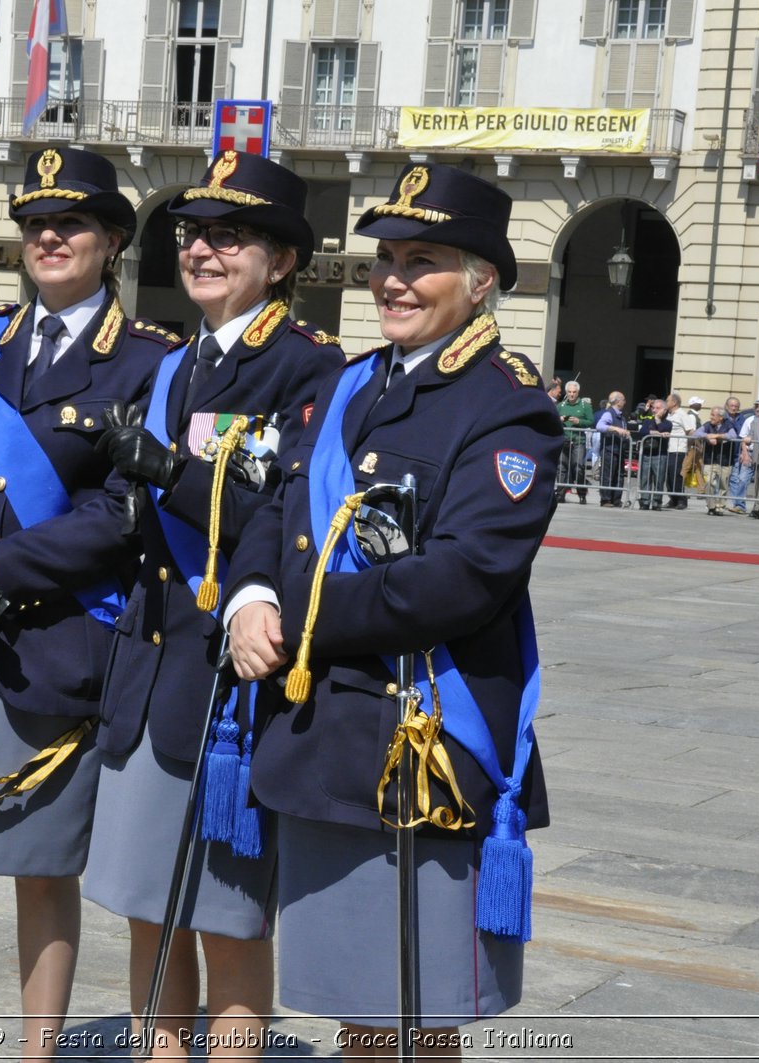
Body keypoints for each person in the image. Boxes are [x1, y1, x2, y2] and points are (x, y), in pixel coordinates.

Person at [224, 162, 560, 1056]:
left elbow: (461, 578)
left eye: (424, 261)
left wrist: (295, 620)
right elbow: (276, 507)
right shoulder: (348, 382)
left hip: (420, 750)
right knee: (357, 1004)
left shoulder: (507, 405)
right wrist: (250, 595)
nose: (394, 280)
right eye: (386, 259)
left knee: (411, 1016)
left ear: (481, 281)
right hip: (321, 740)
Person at [0, 147, 172, 1057]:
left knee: (40, 869)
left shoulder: (146, 362)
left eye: (72, 224)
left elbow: (124, 511)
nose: (48, 238)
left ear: (112, 242)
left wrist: (1, 563)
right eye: (34, 225)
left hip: (52, 648)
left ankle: (35, 1050)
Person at [83, 150, 345, 1056]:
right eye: (195, 234)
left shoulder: (311, 371)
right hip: (152, 668)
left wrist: (167, 471)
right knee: (148, 910)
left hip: (233, 683)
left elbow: (285, 512)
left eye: (229, 238)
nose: (202, 251)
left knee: (230, 919)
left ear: (280, 262)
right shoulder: (174, 362)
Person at [554, 380, 592, 504]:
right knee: (561, 467)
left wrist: (579, 422)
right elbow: (553, 420)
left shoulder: (584, 405)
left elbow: (592, 421)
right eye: (569, 392)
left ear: (578, 392)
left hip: (578, 441)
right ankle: (560, 494)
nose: (571, 394)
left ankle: (582, 493)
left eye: (574, 392)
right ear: (566, 392)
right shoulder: (561, 406)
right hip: (563, 440)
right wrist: (559, 419)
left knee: (578, 468)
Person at [693, 404, 737, 514]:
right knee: (708, 483)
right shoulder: (708, 425)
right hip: (709, 459)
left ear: (720, 417)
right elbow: (697, 433)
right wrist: (707, 436)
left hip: (725, 460)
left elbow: (733, 436)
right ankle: (711, 506)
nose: (711, 417)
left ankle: (720, 507)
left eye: (713, 415)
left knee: (723, 485)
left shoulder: (728, 424)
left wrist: (717, 436)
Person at [595, 391, 633, 507]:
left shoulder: (621, 415)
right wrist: (616, 429)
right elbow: (599, 426)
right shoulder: (608, 414)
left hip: (619, 449)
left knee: (619, 475)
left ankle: (616, 499)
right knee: (608, 474)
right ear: (618, 401)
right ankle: (606, 499)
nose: (625, 402)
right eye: (623, 400)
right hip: (609, 449)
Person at [636, 398, 671, 510]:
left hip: (660, 454)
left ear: (664, 410)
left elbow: (664, 429)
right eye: (653, 408)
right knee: (645, 478)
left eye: (657, 408)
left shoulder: (667, 423)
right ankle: (645, 501)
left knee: (659, 479)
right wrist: (654, 432)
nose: (654, 410)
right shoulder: (647, 421)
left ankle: (657, 501)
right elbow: (642, 432)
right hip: (647, 453)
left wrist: (657, 420)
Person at [665, 393, 698, 509]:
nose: (666, 403)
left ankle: (681, 500)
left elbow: (691, 432)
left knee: (676, 475)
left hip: (678, 449)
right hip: (668, 449)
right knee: (668, 476)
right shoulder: (669, 415)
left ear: (674, 402)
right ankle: (672, 499)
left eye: (667, 400)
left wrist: (688, 446)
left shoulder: (682, 414)